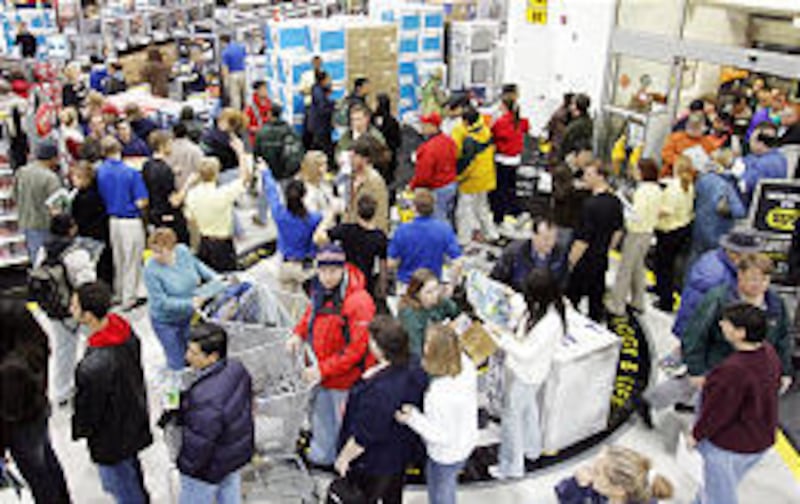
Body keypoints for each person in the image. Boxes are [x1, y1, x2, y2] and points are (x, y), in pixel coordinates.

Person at [286, 244, 376, 466]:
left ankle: (329, 460)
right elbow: (310, 315)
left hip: (342, 381)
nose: (327, 277)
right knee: (322, 419)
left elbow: (356, 350)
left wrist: (321, 369)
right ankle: (323, 452)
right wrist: (297, 334)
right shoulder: (320, 291)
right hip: (321, 374)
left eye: (333, 271)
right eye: (322, 271)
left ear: (343, 269)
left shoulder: (359, 302)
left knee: (335, 424)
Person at [688, 303, 782, 504]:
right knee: (714, 487)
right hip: (760, 438)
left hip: (729, 446)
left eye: (727, 323)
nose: (721, 324)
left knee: (719, 497)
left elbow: (717, 413)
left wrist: (695, 435)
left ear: (740, 333)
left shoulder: (733, 370)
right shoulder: (768, 352)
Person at [71, 281, 152, 504]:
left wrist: (80, 429)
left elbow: (89, 411)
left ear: (88, 316)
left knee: (122, 487)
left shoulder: (93, 366)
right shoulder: (123, 329)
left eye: (75, 305)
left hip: (111, 438)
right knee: (133, 475)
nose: (71, 309)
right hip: (132, 417)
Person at [334, 316, 427, 504]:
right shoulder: (415, 367)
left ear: (379, 347)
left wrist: (343, 458)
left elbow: (365, 435)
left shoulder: (378, 389)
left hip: (374, 462)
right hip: (400, 452)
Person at [487, 269, 566, 479]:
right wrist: (509, 294)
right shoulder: (544, 307)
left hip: (527, 375)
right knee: (529, 411)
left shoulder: (550, 323)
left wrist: (499, 338)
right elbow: (520, 303)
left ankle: (511, 466)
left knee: (511, 420)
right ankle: (532, 449)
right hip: (530, 375)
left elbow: (526, 353)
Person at [682, 254, 793, 395]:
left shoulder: (776, 303)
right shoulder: (718, 299)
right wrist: (696, 371)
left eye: (764, 279)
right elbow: (695, 334)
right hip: (720, 373)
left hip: (758, 379)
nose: (758, 284)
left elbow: (783, 339)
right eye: (753, 279)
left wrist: (785, 371)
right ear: (740, 275)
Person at [395, 324, 478, 504]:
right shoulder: (465, 364)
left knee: (442, 492)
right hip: (465, 440)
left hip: (446, 453)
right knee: (444, 484)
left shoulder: (440, 393)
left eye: (427, 344)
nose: (423, 347)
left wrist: (411, 418)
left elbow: (439, 434)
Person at [0, 298, 72, 504]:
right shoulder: (32, 346)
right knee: (48, 461)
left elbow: (8, 413)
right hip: (39, 412)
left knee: (38, 475)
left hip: (21, 428)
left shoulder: (9, 372)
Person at [177, 323, 255, 504]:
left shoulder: (206, 399)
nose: (187, 357)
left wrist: (185, 467)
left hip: (209, 468)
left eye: (194, 353)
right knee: (229, 493)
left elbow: (198, 446)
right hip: (233, 454)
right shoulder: (236, 367)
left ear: (212, 357)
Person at [35, 214, 99, 405]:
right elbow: (88, 283)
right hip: (79, 308)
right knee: (93, 343)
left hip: (55, 309)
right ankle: (93, 384)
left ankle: (61, 392)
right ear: (71, 229)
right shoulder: (76, 253)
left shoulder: (44, 249)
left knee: (63, 350)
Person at [144, 228, 223, 371]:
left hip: (189, 316)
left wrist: (216, 279)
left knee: (194, 355)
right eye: (153, 251)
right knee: (177, 362)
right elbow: (161, 302)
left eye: (160, 251)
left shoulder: (183, 252)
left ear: (171, 248)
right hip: (166, 322)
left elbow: (198, 266)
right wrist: (191, 303)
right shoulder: (150, 270)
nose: (156, 256)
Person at [672, 230, 762, 340]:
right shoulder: (714, 275)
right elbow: (706, 315)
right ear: (735, 254)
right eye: (751, 255)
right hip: (700, 335)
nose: (754, 258)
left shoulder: (718, 259)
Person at [95, 136, 149, 309]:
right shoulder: (130, 172)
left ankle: (118, 293)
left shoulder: (101, 172)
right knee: (132, 260)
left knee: (119, 259)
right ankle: (130, 298)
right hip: (130, 220)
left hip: (112, 221)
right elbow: (142, 201)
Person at [567, 162, 624, 322]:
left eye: (589, 174)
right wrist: (604, 247)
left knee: (572, 298)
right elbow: (618, 232)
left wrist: (571, 262)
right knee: (596, 299)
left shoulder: (590, 205)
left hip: (584, 261)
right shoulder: (615, 202)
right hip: (601, 258)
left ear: (601, 177)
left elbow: (582, 241)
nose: (585, 177)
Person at [607, 159, 662, 316]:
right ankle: (638, 301)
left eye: (636, 170)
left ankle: (617, 305)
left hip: (636, 233)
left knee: (625, 269)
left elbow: (635, 215)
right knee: (637, 268)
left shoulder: (643, 191)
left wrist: (623, 207)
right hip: (648, 232)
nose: (633, 172)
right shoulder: (657, 189)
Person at [260, 165, 322, 293]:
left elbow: (272, 193)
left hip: (286, 265)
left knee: (287, 305)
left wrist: (266, 171)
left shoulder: (279, 214)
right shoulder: (313, 219)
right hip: (306, 267)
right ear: (304, 196)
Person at [314, 194, 388, 300]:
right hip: (366, 282)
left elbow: (318, 238)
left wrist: (331, 215)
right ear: (375, 212)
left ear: (357, 211)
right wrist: (382, 287)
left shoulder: (346, 230)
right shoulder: (380, 237)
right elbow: (383, 266)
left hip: (345, 280)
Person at [184, 157, 251, 273]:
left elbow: (190, 219)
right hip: (222, 245)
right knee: (228, 279)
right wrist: (240, 153)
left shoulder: (191, 194)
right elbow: (246, 178)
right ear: (216, 174)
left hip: (204, 243)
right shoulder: (223, 194)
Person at [388, 189, 462, 288]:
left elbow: (391, 263)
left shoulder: (402, 230)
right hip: (431, 286)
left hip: (407, 284)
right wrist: (451, 286)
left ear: (414, 208)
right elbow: (458, 263)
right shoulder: (444, 229)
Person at [555, 446, 673, 503]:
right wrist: (576, 484)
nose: (589, 471)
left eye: (596, 472)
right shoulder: (601, 488)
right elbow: (561, 493)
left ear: (619, 489)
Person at [653, 156, 695, 312]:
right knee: (668, 265)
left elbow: (666, 211)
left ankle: (666, 300)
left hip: (669, 231)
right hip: (682, 228)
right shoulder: (689, 185)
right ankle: (660, 288)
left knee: (663, 266)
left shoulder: (674, 188)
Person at [453, 106, 498, 245]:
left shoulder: (469, 140)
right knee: (482, 208)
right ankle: (491, 233)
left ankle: (463, 239)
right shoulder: (486, 131)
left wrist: (458, 178)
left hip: (471, 181)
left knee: (464, 211)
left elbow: (467, 164)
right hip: (486, 177)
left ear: (466, 122)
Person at [690, 149, 746, 259]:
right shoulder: (726, 184)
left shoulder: (702, 178)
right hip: (718, 231)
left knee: (696, 260)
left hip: (699, 228)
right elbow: (739, 211)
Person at [491, 214, 568, 293]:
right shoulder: (514, 251)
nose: (551, 243)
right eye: (546, 238)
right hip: (516, 297)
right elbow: (495, 280)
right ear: (533, 235)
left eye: (554, 238)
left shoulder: (561, 254)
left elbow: (562, 285)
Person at [13, 141, 62, 260]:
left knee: (35, 257)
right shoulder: (51, 178)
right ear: (53, 158)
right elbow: (57, 208)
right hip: (45, 224)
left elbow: (14, 195)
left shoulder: (21, 172)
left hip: (26, 222)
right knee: (48, 260)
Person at [397, 268, 461, 356]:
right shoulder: (410, 315)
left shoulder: (440, 300)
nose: (435, 294)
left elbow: (458, 315)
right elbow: (416, 350)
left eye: (436, 289)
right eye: (428, 292)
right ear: (417, 294)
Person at [142, 130, 191, 244]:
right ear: (162, 145)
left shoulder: (147, 165)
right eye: (170, 143)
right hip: (169, 218)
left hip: (154, 215)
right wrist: (189, 183)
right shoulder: (165, 170)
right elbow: (175, 201)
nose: (172, 147)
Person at [410, 112, 458, 223]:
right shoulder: (449, 141)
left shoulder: (428, 148)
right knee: (447, 216)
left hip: (438, 188)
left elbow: (424, 175)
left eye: (424, 124)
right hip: (451, 184)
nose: (421, 127)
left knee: (438, 219)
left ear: (433, 126)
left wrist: (413, 185)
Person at [71, 161, 113, 284]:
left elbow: (81, 218)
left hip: (92, 238)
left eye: (77, 177)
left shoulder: (86, 197)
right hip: (98, 236)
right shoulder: (93, 193)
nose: (73, 180)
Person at [490, 97, 529, 224]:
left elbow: (492, 134)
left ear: (504, 106)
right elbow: (526, 128)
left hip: (503, 159)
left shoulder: (501, 122)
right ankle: (517, 212)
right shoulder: (520, 121)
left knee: (500, 191)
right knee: (511, 189)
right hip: (515, 159)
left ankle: (499, 218)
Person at [551, 140, 593, 250]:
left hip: (575, 223)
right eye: (585, 157)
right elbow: (560, 194)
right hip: (563, 222)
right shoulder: (562, 170)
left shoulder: (581, 172)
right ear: (575, 155)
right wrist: (577, 187)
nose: (587, 161)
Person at [346, 137, 389, 233]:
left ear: (365, 159)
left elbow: (381, 214)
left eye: (354, 157)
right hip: (351, 234)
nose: (350, 160)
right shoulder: (351, 177)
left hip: (367, 236)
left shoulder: (375, 182)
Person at [740, 121, 787, 206]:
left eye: (752, 140)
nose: (750, 143)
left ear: (760, 143)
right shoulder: (781, 158)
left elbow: (743, 186)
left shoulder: (763, 164)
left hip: (752, 208)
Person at [254, 103, 303, 183]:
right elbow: (298, 152)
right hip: (287, 176)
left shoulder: (262, 133)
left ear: (269, 114)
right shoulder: (290, 131)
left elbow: (257, 155)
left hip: (268, 176)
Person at [660, 113, 716, 177]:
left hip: (698, 176)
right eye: (693, 126)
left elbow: (711, 159)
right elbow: (666, 155)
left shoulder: (706, 142)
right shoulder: (675, 137)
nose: (694, 129)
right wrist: (685, 162)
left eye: (697, 126)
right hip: (673, 174)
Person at [201, 108, 246, 175]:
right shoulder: (213, 135)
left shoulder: (234, 139)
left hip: (223, 171)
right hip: (220, 170)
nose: (219, 120)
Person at [372, 94, 402, 187]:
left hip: (374, 155)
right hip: (390, 157)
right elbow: (398, 141)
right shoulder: (393, 121)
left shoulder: (372, 119)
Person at [298, 150, 337, 215]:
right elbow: (312, 214)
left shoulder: (325, 183)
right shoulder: (304, 189)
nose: (326, 167)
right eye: (322, 164)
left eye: (326, 163)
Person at [168, 122, 204, 190]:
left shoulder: (168, 149)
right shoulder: (195, 149)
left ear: (173, 134)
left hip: (173, 187)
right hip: (191, 187)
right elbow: (201, 168)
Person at [308, 72, 335, 160]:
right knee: (321, 147)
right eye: (328, 80)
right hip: (319, 125)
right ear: (323, 81)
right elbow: (322, 108)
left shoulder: (320, 90)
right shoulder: (318, 92)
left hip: (321, 125)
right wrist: (332, 106)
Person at [560, 94, 593, 161]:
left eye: (572, 104)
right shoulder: (589, 121)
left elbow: (564, 144)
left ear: (576, 107)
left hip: (575, 158)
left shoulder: (574, 126)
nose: (570, 106)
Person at [546, 92, 575, 165]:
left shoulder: (558, 111)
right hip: (562, 145)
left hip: (556, 144)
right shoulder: (567, 114)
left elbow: (550, 127)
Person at [220, 34, 247, 111]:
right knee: (245, 95)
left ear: (223, 41)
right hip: (243, 73)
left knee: (235, 97)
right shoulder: (240, 47)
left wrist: (226, 81)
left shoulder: (225, 52)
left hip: (233, 75)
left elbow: (225, 67)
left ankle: (237, 115)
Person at [244, 80, 272, 146]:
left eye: (266, 89)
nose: (265, 91)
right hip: (256, 140)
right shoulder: (250, 107)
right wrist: (256, 129)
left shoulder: (270, 104)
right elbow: (246, 125)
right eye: (262, 89)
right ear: (257, 91)